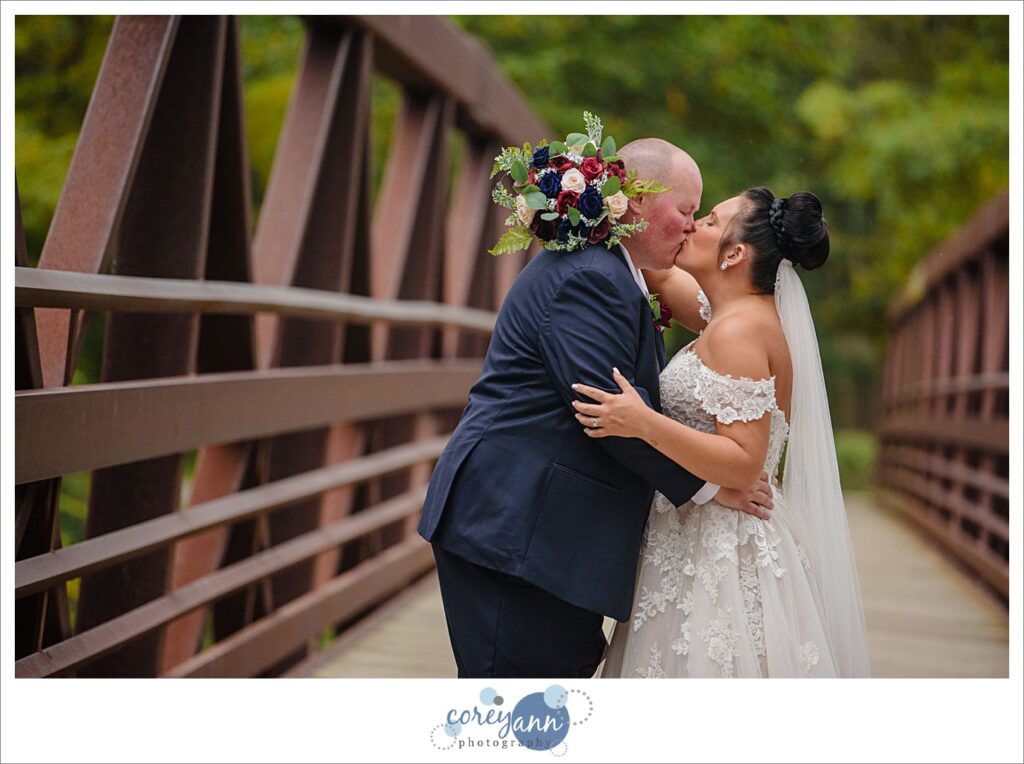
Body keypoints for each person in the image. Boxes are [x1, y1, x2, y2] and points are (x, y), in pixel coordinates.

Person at [417, 139, 773, 678]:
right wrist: (714, 486)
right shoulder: (592, 277)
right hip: (515, 531)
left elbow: (718, 318)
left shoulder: (615, 270)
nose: (690, 226)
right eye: (684, 211)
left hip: (543, 537)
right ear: (634, 201)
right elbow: (605, 417)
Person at [572, 188, 871, 677]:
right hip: (698, 531)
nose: (693, 226)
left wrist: (643, 422)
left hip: (722, 552)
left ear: (734, 254)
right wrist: (592, 197)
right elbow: (659, 271)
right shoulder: (727, 312)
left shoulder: (739, 332)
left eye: (709, 220)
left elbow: (743, 462)